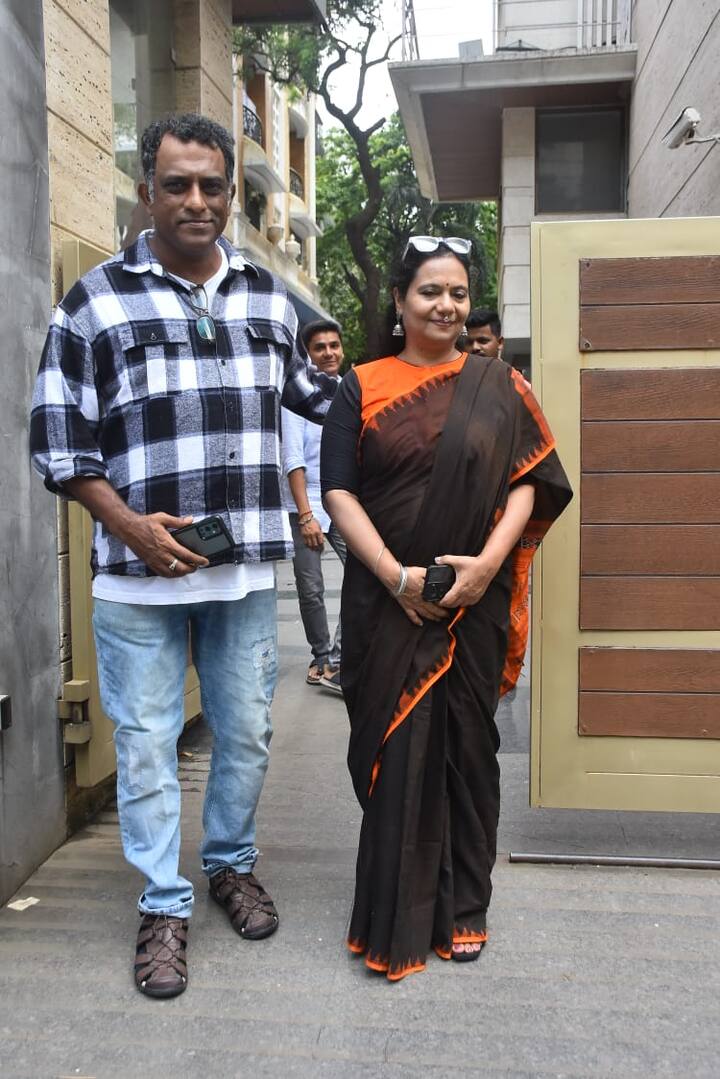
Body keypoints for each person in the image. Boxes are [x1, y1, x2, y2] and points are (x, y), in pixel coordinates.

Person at [29, 113, 337, 999]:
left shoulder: (269, 299)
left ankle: (229, 863)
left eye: (212, 185)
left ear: (231, 193)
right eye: (177, 184)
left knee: (247, 732)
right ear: (146, 191)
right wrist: (130, 526)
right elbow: (57, 440)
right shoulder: (94, 301)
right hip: (136, 582)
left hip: (241, 575)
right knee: (145, 743)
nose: (196, 200)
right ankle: (163, 902)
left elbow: (325, 403)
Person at [321, 235, 571, 980]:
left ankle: (465, 905)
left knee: (467, 748)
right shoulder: (360, 384)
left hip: (473, 604)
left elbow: (531, 479)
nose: (446, 306)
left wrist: (488, 565)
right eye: (430, 291)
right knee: (396, 750)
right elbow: (339, 491)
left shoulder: (500, 384)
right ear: (400, 302)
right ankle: (395, 913)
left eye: (458, 293)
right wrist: (395, 577)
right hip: (385, 601)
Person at [283, 319, 347, 694]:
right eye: (319, 347)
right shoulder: (297, 395)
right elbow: (293, 458)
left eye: (334, 345)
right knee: (311, 588)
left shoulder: (350, 390)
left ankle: (339, 657)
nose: (328, 352)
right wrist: (306, 516)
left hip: (343, 501)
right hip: (304, 503)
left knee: (364, 575)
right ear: (307, 354)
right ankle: (322, 657)